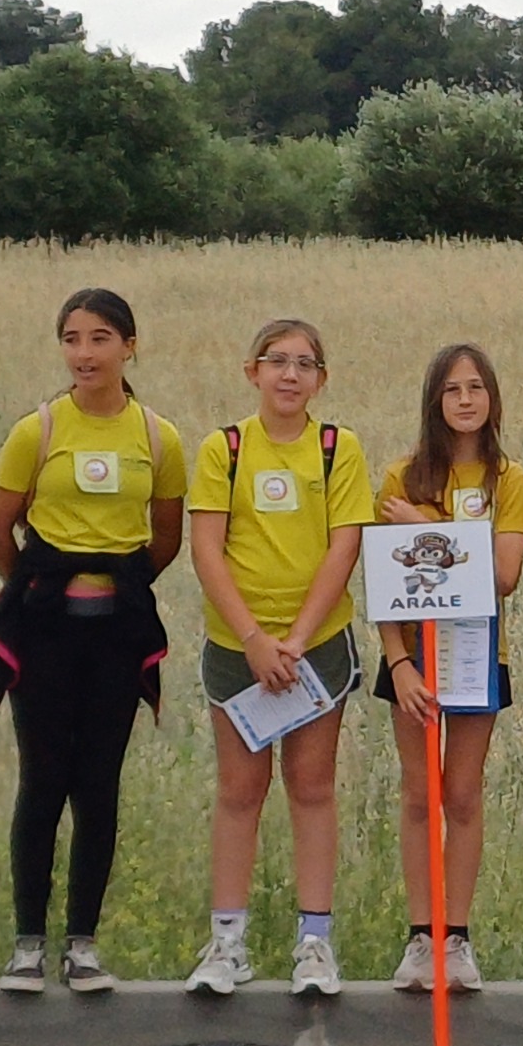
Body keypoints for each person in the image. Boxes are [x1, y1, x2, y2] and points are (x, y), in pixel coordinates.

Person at [0, 288, 186, 994]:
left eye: (100, 338)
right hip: (45, 632)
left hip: (116, 634)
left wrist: (115, 586)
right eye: (71, 338)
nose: (84, 353)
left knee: (98, 784)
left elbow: (165, 539)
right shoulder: (35, 431)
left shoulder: (158, 438)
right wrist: (36, 589)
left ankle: (84, 945)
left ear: (130, 346)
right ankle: (27, 946)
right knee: (42, 782)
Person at [183, 319, 371, 997]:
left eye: (304, 364)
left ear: (322, 379)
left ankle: (314, 944)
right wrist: (255, 639)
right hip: (238, 648)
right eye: (277, 361)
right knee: (239, 791)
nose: (290, 375)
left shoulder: (337, 448)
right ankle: (227, 943)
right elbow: (206, 548)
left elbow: (345, 545)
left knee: (312, 787)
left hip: (316, 646)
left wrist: (295, 637)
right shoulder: (224, 449)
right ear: (252, 371)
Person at [374, 343, 523, 994]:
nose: (465, 400)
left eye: (476, 387)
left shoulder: (509, 481)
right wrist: (398, 663)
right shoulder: (401, 477)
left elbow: (504, 575)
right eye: (452, 389)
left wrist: (423, 529)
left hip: (477, 655)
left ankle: (456, 938)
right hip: (413, 660)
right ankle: (421, 936)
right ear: (434, 400)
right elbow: (383, 581)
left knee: (462, 794)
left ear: (492, 398)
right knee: (420, 794)